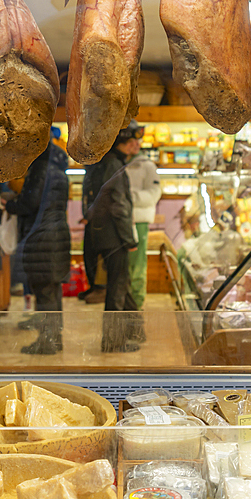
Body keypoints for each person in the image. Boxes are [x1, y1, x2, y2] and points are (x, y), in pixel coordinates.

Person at [0, 140, 72, 355]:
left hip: (42, 238)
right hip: (55, 235)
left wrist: (10, 204)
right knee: (52, 291)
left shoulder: (40, 170)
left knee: (44, 292)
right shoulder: (57, 171)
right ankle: (54, 337)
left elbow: (30, 203)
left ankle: (47, 341)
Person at [86, 124, 144, 352]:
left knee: (123, 284)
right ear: (127, 142)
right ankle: (112, 342)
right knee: (117, 290)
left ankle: (135, 331)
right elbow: (119, 206)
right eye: (135, 141)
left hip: (105, 234)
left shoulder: (107, 162)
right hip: (114, 237)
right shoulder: (114, 164)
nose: (137, 145)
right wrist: (129, 240)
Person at [126, 124, 162, 312]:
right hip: (122, 221)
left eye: (136, 141)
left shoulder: (148, 166)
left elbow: (155, 193)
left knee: (138, 266)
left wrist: (130, 198)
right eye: (130, 141)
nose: (133, 145)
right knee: (124, 267)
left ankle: (137, 304)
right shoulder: (119, 164)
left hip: (139, 221)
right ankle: (126, 303)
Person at [78, 161, 105, 304]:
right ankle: (93, 286)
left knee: (97, 254)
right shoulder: (90, 170)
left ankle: (100, 288)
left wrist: (89, 215)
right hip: (91, 219)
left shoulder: (99, 168)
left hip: (98, 220)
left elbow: (98, 195)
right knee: (88, 254)